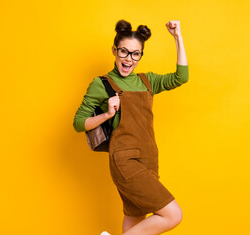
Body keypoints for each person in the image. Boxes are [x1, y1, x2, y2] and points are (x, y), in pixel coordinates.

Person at [73, 19, 188, 235]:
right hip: (125, 161)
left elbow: (181, 77)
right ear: (114, 50)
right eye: (124, 52)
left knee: (135, 220)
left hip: (149, 159)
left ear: (140, 55)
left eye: (136, 54)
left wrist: (177, 37)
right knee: (173, 215)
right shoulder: (102, 84)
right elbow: (79, 123)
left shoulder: (147, 81)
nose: (129, 59)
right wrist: (107, 114)